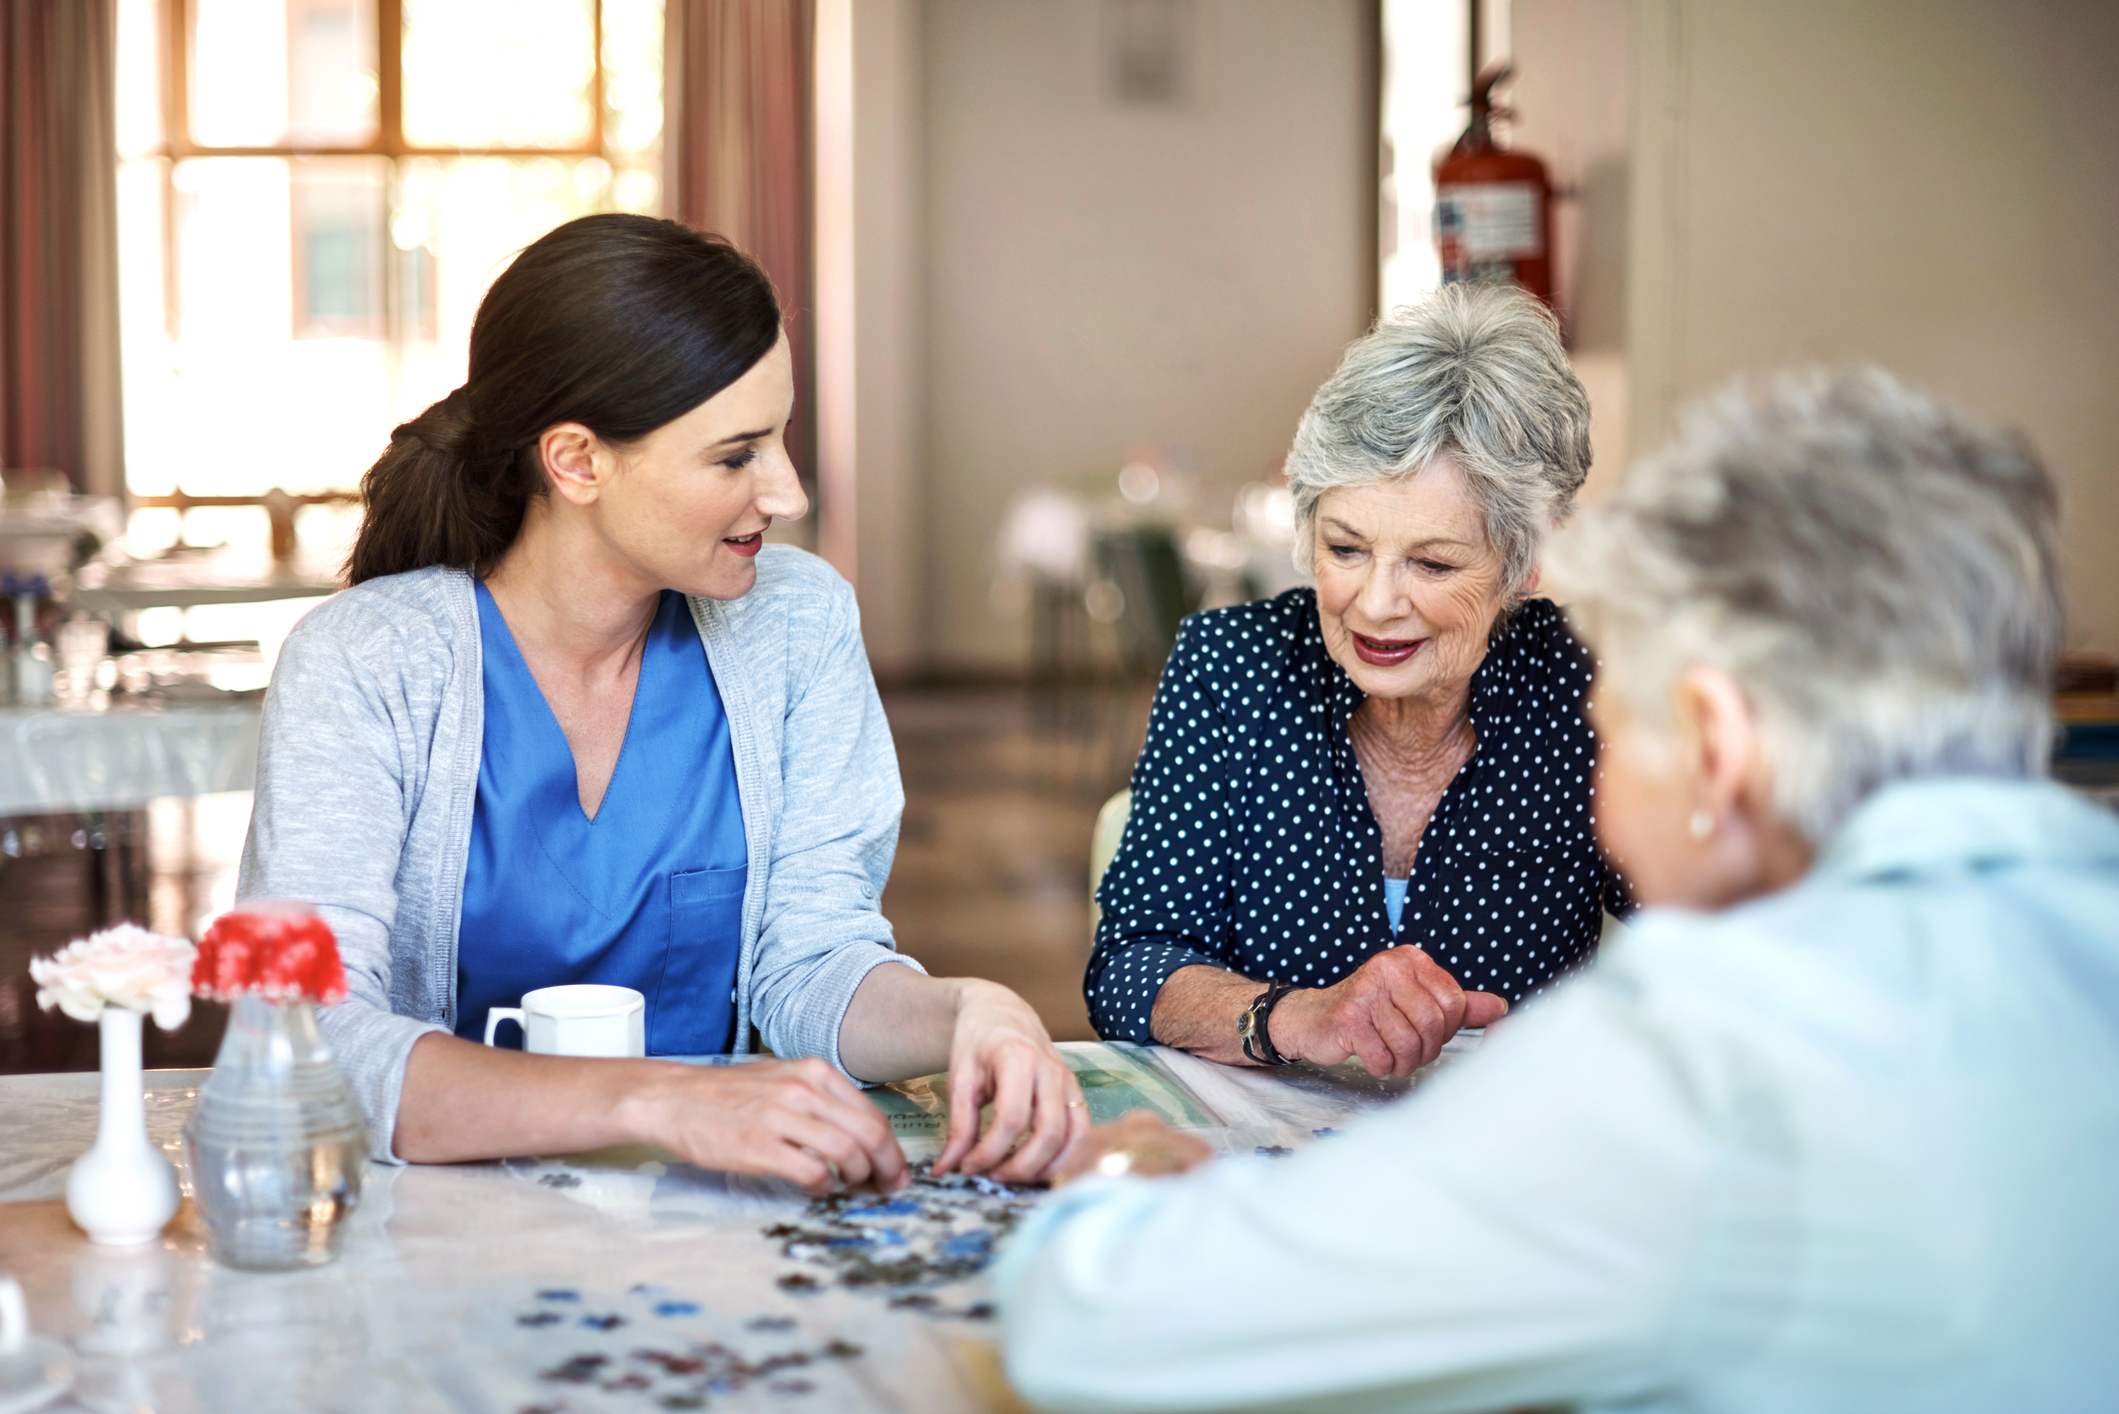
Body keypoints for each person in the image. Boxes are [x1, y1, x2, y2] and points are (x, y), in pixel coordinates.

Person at [998, 368, 2119, 1411]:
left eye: (1617, 724)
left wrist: (1121, 1181)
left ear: (1715, 747)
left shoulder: (1688, 1067)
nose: (1595, 761)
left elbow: (1096, 1320)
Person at [241, 214, 1085, 1191]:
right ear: (577, 462)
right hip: (427, 1219)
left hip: (702, 1217)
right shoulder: (366, 663)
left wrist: (970, 1010)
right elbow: (301, 1028)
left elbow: (808, 957)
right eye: (737, 456)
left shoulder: (796, 624)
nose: (789, 492)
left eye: (782, 439)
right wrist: (653, 1102)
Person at [1087, 283, 1627, 1077]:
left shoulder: (1589, 697)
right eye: (1345, 549)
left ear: (1524, 565)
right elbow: (1129, 967)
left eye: (1431, 563)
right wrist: (1292, 1015)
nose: (1374, 606)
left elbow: (1727, 950)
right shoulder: (1229, 670)